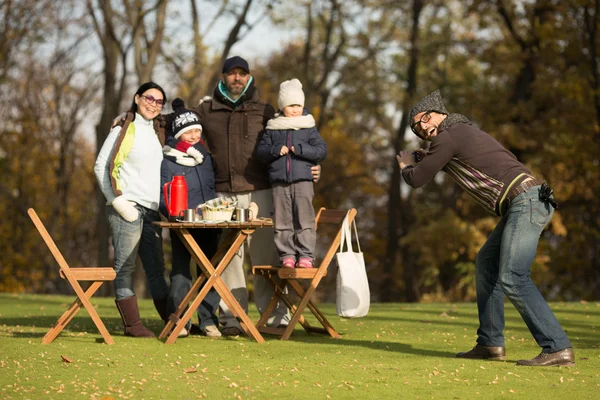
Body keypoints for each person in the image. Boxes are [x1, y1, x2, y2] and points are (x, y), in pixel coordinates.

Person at [396, 89, 574, 367]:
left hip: (525, 202)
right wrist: (424, 157)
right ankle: (490, 343)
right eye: (417, 130)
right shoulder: (457, 133)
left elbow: (417, 179)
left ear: (437, 113)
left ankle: (557, 347)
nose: (422, 131)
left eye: (422, 122)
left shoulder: (449, 135)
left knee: (513, 276)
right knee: (487, 264)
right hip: (525, 201)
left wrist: (406, 166)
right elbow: (444, 161)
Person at [188, 56, 321, 336]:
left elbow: (298, 135)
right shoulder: (205, 109)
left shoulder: (266, 110)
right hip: (223, 194)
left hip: (261, 191)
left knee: (266, 256)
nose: (237, 78)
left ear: (249, 78)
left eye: (242, 73)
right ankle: (233, 319)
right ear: (223, 77)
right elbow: (180, 131)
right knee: (230, 260)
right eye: (232, 73)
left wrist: (310, 167)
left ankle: (275, 317)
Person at [94, 82, 170, 338]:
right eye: (149, 98)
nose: (153, 104)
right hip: (127, 208)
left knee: (156, 268)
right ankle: (132, 326)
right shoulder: (124, 129)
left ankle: (171, 321)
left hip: (151, 211)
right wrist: (119, 203)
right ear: (137, 98)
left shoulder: (159, 131)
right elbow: (101, 166)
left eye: (159, 101)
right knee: (125, 267)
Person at [159, 98, 222, 338]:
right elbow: (163, 194)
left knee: (209, 271)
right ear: (178, 134)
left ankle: (208, 320)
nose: (195, 135)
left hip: (209, 223)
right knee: (181, 273)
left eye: (197, 130)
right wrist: (175, 216)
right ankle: (180, 320)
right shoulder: (169, 161)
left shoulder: (205, 156)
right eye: (189, 132)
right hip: (182, 226)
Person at [256, 79, 327, 269]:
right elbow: (260, 153)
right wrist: (275, 150)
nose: (295, 109)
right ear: (282, 106)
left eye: (298, 105)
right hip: (279, 182)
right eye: (290, 105)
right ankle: (287, 255)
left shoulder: (308, 126)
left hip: (303, 181)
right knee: (282, 220)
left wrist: (301, 149)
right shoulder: (273, 128)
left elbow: (321, 151)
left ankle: (305, 255)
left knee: (304, 219)